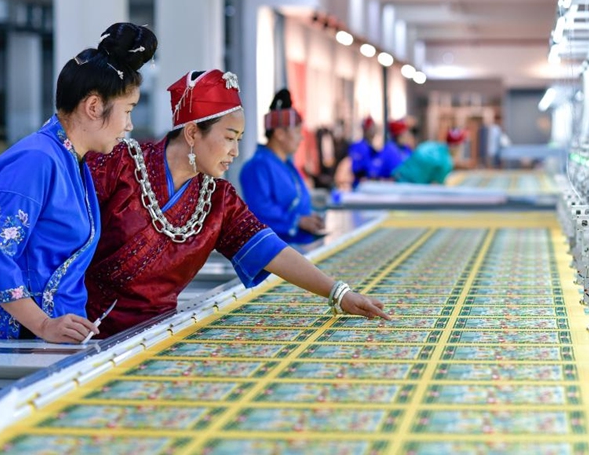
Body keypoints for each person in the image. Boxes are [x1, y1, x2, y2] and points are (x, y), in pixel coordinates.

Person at [85, 70, 390, 337]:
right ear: (192, 132)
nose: (234, 151)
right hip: (85, 330)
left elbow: (272, 250)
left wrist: (338, 293)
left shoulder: (218, 199)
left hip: (153, 335)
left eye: (239, 140)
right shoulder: (120, 164)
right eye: (229, 138)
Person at [0, 23, 157, 343]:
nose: (129, 125)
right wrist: (43, 325)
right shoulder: (35, 159)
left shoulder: (72, 162)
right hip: (17, 340)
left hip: (53, 338)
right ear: (94, 106)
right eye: (127, 111)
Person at [240, 89, 324, 244]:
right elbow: (261, 210)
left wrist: (310, 217)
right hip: (277, 250)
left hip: (300, 244)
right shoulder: (257, 167)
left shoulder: (287, 164)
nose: (301, 137)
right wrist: (298, 221)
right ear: (279, 133)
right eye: (297, 131)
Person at [391, 127, 468, 184]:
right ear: (457, 146)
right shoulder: (446, 162)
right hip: (410, 191)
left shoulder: (429, 145)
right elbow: (437, 187)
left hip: (396, 179)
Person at [348, 116, 404, 186]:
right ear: (365, 130)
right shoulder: (358, 146)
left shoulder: (374, 148)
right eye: (371, 128)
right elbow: (357, 169)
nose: (373, 131)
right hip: (361, 185)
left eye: (373, 128)